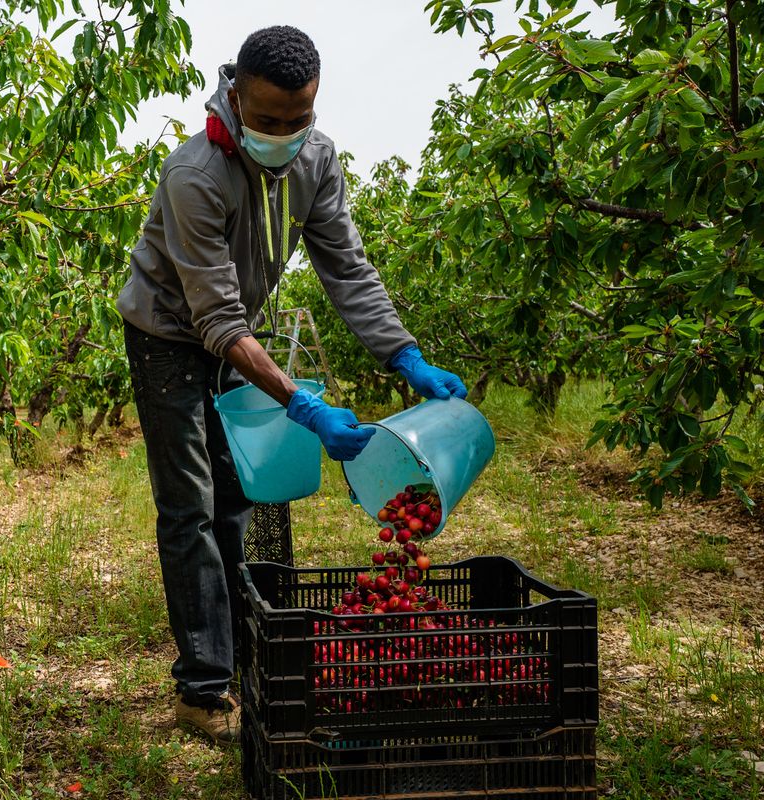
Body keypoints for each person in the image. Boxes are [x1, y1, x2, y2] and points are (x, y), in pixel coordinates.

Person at [116, 25, 467, 747]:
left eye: (299, 118)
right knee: (190, 506)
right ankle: (203, 688)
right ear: (235, 96)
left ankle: (246, 652)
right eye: (268, 120)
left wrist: (404, 356)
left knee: (237, 496)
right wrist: (302, 404)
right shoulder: (196, 176)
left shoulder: (316, 160)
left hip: (232, 337)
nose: (283, 132)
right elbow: (213, 318)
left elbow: (347, 268)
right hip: (168, 337)